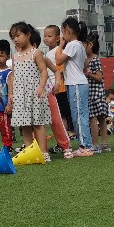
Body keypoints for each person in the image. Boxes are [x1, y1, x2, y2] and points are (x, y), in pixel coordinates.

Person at [7, 21, 51, 161]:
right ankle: (30, 152)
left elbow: (43, 71)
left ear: (28, 35)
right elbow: (13, 75)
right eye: (13, 37)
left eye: (18, 35)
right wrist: (11, 94)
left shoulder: (35, 53)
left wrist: (41, 86)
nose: (15, 39)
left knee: (38, 123)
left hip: (35, 93)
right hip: (20, 95)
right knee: (24, 124)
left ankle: (43, 152)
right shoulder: (15, 56)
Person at [54, 18, 95, 157]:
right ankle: (85, 144)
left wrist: (60, 46)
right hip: (78, 82)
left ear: (68, 31)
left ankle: (85, 146)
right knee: (79, 114)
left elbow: (58, 60)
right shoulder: (80, 45)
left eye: (62, 32)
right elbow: (84, 65)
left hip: (76, 84)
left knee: (79, 115)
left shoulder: (72, 45)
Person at [40, 24, 73, 156]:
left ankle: (64, 142)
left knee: (60, 116)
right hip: (51, 88)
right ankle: (62, 143)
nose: (46, 38)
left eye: (49, 36)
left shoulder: (57, 52)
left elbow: (59, 68)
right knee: (57, 116)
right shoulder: (47, 53)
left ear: (58, 38)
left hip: (58, 88)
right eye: (45, 36)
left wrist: (58, 83)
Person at [84, 33, 109, 151]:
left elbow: (99, 77)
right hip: (89, 93)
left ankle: (103, 143)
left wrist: (89, 74)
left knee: (100, 118)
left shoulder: (95, 59)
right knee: (92, 118)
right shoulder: (85, 59)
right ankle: (95, 143)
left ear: (90, 45)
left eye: (84, 45)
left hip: (97, 93)